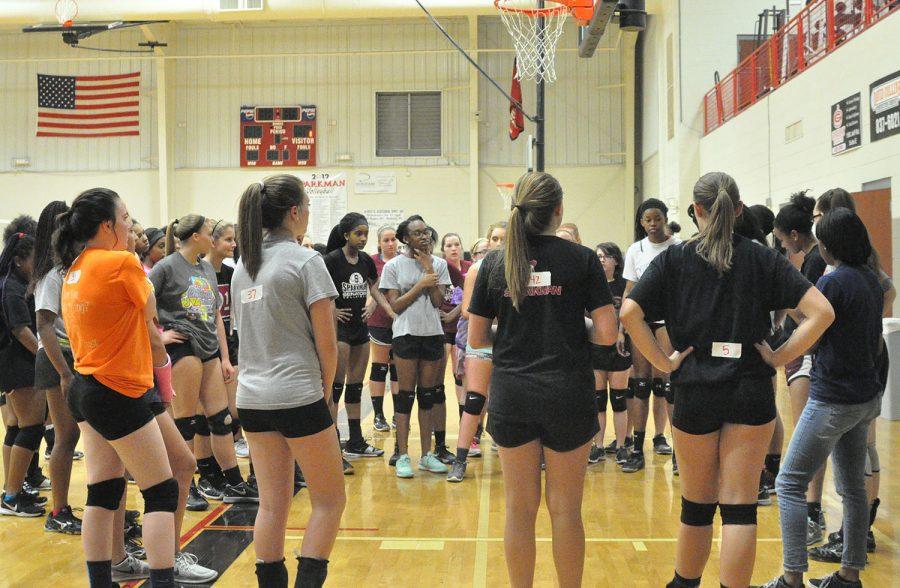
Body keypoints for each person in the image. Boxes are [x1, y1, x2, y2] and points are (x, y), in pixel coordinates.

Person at [621, 172, 833, 588]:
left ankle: (684, 583)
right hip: (750, 389)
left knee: (696, 505)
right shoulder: (763, 258)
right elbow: (822, 312)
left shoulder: (673, 259)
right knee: (739, 508)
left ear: (696, 211)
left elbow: (629, 313)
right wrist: (779, 357)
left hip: (695, 390)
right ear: (738, 210)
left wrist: (664, 362)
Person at [468, 172, 617, 587]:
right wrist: (571, 328)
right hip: (568, 393)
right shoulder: (583, 258)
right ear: (558, 210)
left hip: (513, 394)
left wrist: (519, 332)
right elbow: (607, 333)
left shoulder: (493, 263)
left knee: (519, 508)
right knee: (567, 511)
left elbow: (478, 338)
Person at [56, 187, 181, 588]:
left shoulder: (74, 267)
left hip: (83, 389)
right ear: (107, 225)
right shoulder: (121, 263)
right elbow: (151, 323)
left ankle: (101, 583)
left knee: (104, 489)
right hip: (116, 391)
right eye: (125, 218)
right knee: (161, 491)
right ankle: (163, 581)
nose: (130, 226)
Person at [232, 175, 345, 588]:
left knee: (272, 503)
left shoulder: (243, 265)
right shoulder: (305, 261)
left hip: (253, 399)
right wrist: (326, 395)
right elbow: (327, 343)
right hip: (298, 396)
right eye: (307, 209)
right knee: (330, 501)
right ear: (294, 212)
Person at [760, 208, 882, 588]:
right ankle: (849, 575)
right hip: (865, 397)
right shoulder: (871, 280)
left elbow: (813, 327)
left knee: (790, 482)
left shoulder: (835, 283)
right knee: (852, 488)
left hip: (833, 399)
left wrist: (776, 353)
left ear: (831, 245)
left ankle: (792, 577)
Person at [808, 188, 893, 563]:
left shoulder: (850, 267)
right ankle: (856, 538)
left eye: (817, 217)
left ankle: (858, 532)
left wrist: (862, 327)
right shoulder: (851, 264)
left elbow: (887, 290)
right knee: (859, 447)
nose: (813, 224)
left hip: (862, 359)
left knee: (865, 446)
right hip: (861, 357)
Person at [150, 215, 257, 504]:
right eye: (210, 233)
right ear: (196, 236)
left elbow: (216, 317)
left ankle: (233, 483)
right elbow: (141, 306)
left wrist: (224, 355)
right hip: (183, 348)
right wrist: (159, 335)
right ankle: (185, 485)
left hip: (209, 349)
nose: (212, 238)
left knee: (221, 420)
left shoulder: (207, 269)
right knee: (184, 422)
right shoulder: (166, 267)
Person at [773, 191, 830, 543]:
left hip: (808, 353)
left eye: (781, 240)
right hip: (801, 351)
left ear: (794, 235)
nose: (781, 246)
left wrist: (783, 300)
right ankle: (810, 508)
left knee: (807, 436)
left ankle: (811, 511)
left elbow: (812, 313)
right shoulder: (808, 260)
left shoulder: (812, 264)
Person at [379, 215, 452, 478]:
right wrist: (420, 284)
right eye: (417, 233)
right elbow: (395, 306)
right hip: (406, 335)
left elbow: (438, 302)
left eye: (426, 232)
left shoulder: (440, 264)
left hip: (432, 334)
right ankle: (402, 455)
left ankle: (426, 455)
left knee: (428, 396)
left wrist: (428, 269)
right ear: (405, 238)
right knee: (405, 396)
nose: (424, 236)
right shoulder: (393, 266)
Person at [31, 201, 83, 532]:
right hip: (56, 360)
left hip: (75, 357)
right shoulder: (51, 275)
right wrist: (64, 372)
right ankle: (58, 512)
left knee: (77, 433)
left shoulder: (71, 270)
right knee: (66, 435)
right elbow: (44, 325)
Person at [324, 213, 390, 470]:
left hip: (360, 328)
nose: (363, 238)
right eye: (358, 234)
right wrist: (333, 311)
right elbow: (321, 292)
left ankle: (355, 441)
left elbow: (373, 286)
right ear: (345, 235)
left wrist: (374, 305)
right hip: (339, 330)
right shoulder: (331, 260)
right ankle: (333, 447)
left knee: (354, 387)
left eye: (365, 234)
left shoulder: (365, 260)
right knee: (336, 389)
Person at [621, 198, 680, 473]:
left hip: (669, 320)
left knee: (668, 385)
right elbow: (630, 288)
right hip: (641, 321)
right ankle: (636, 447)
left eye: (657, 218)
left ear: (665, 218)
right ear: (641, 222)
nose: (653, 224)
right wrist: (623, 328)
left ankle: (679, 450)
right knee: (640, 385)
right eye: (648, 220)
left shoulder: (679, 247)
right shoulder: (636, 249)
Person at [446, 225, 507, 483]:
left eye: (503, 239)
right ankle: (460, 460)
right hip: (482, 339)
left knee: (507, 400)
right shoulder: (476, 269)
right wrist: (498, 318)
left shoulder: (519, 268)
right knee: (474, 400)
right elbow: (468, 312)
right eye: (494, 238)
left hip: (509, 341)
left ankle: (520, 456)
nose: (498, 243)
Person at [0, 231, 44, 518]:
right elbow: (20, 329)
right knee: (32, 427)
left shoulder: (12, 283)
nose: (36, 264)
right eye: (32, 259)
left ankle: (11, 488)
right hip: (19, 365)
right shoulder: (12, 288)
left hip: (12, 365)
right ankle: (11, 496)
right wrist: (44, 352)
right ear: (18, 260)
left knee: (17, 427)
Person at [592, 242, 631, 465]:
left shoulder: (624, 284)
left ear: (616, 260)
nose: (601, 260)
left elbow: (628, 313)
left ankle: (622, 445)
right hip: (596, 348)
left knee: (618, 400)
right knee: (598, 401)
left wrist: (621, 332)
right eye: (597, 256)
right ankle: (597, 446)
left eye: (605, 256)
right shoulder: (592, 283)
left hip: (619, 347)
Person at [434, 232, 470, 464]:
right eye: (449, 245)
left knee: (461, 376)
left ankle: (465, 425)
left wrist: (453, 314)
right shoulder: (440, 268)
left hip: (461, 327)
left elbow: (469, 297)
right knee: (438, 376)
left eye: (457, 244)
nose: (454, 248)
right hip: (441, 327)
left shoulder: (468, 268)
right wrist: (443, 315)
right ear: (443, 249)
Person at [366, 225, 399, 435]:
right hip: (378, 322)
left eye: (393, 239)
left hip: (400, 322)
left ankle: (399, 414)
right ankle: (378, 415)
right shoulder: (372, 262)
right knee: (379, 367)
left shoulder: (404, 261)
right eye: (386, 240)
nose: (390, 243)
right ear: (379, 242)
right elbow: (370, 289)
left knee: (398, 370)